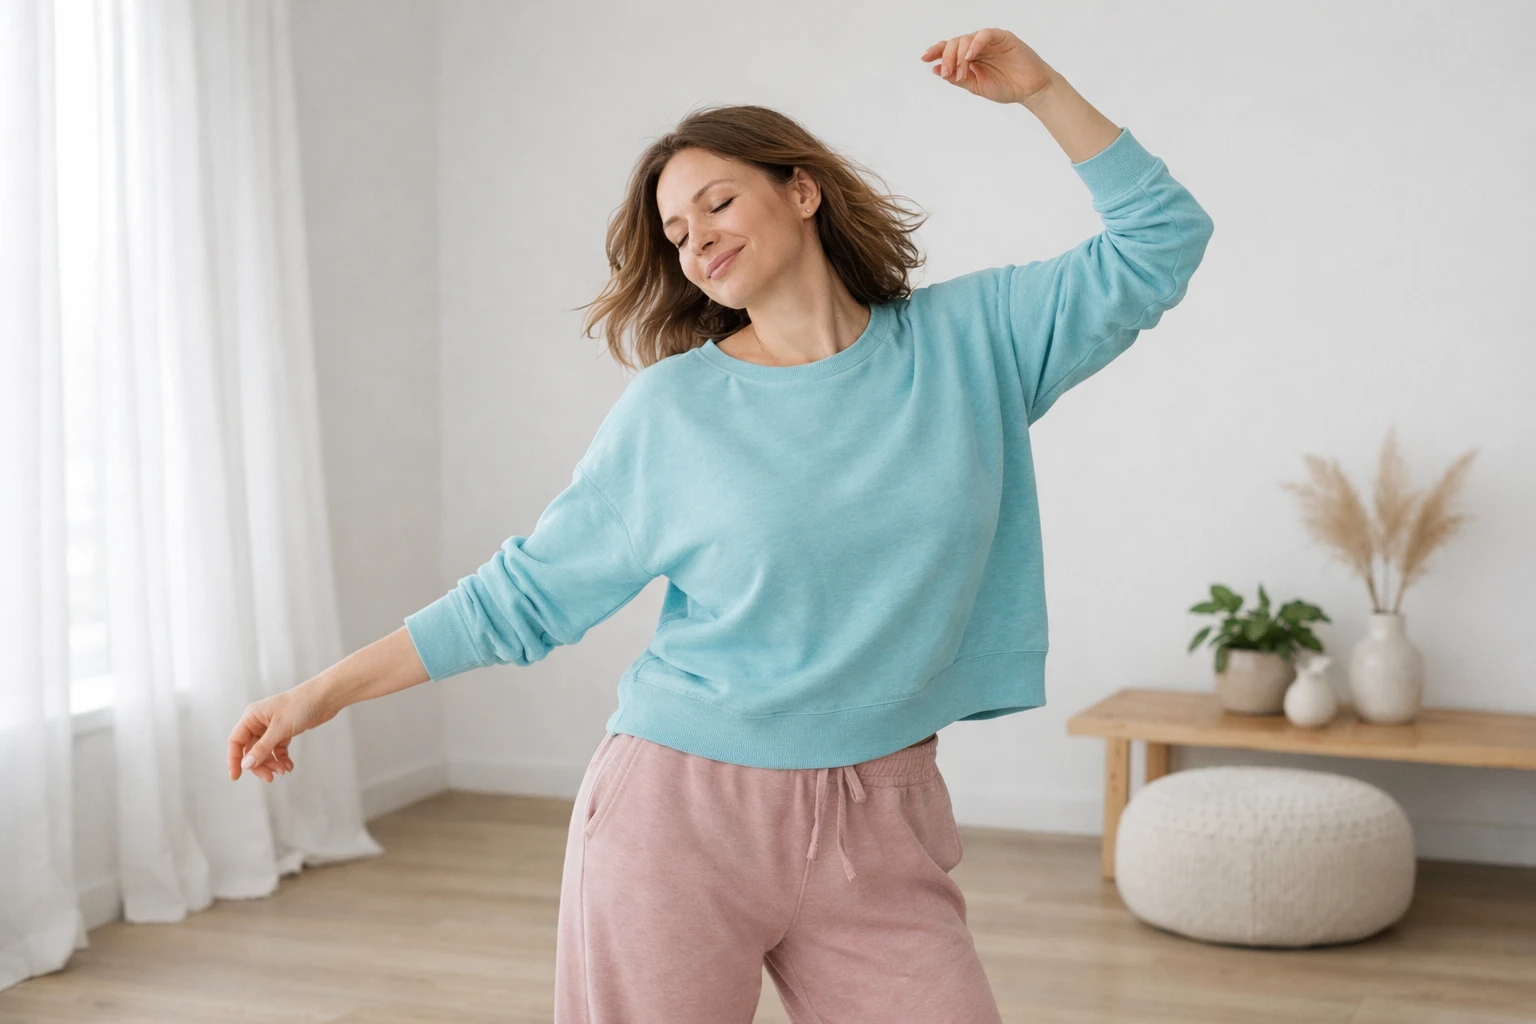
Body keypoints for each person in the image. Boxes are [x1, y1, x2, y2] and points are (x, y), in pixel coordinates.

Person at [228, 26, 1214, 1023]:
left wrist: (1041, 89)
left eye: (717, 202)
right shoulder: (675, 411)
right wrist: (318, 695)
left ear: (802, 189)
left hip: (884, 815)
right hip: (679, 815)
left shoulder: (975, 342)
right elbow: (522, 597)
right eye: (674, 231)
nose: (695, 238)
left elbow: (1161, 241)